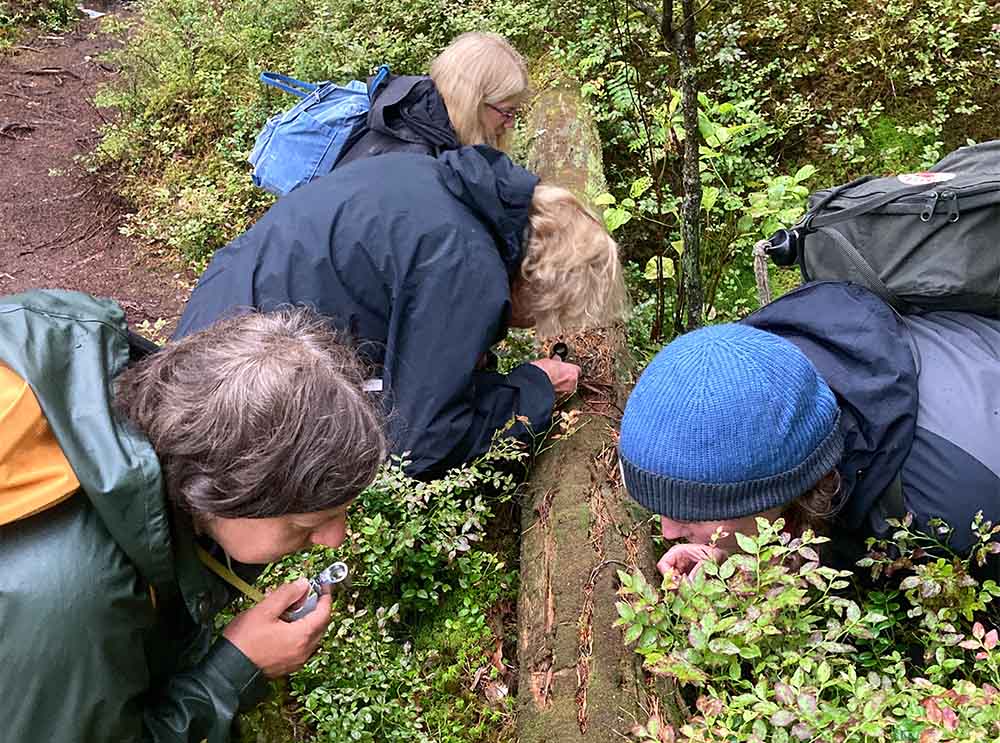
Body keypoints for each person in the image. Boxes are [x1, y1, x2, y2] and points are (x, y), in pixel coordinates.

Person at [0, 290, 386, 743]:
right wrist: (234, 673)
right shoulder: (74, 603)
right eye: (305, 524)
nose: (336, 539)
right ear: (218, 496)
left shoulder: (97, 387)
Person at [176, 145, 627, 478]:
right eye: (547, 312)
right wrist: (536, 388)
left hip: (219, 320)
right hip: (230, 398)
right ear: (539, 282)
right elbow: (422, 448)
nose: (533, 323)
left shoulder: (438, 180)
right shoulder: (466, 267)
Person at [617, 281, 1000, 578]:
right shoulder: (769, 367)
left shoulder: (955, 512)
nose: (667, 532)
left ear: (782, 488)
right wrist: (743, 562)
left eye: (693, 513)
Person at [336, 31, 528, 167]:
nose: (511, 123)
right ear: (472, 102)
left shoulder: (421, 118)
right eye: (507, 112)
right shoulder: (415, 162)